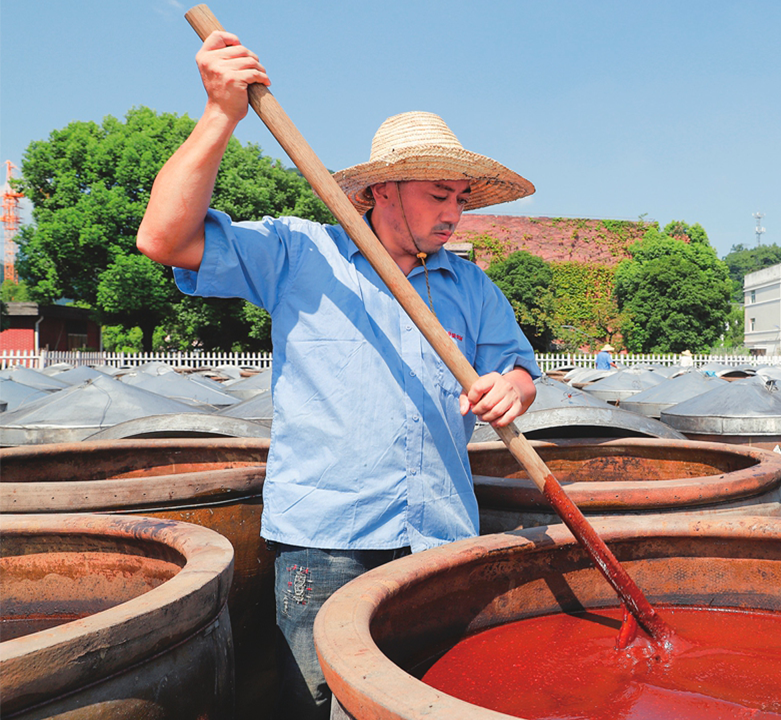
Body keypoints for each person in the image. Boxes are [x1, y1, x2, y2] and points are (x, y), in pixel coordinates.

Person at [137, 31, 539, 719]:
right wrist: (220, 115)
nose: (454, 214)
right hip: (327, 547)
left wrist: (513, 389)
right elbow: (164, 240)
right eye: (439, 195)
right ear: (381, 190)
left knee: (434, 702)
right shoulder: (300, 253)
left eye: (462, 200)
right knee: (321, 706)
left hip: (440, 541)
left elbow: (520, 368)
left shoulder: (471, 286)